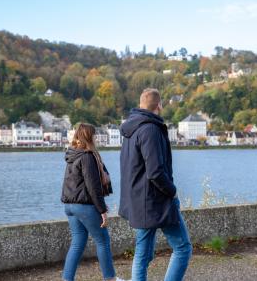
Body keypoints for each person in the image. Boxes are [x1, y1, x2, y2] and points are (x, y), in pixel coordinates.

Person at [119, 88, 192, 281]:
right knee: (183, 248)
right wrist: (173, 191)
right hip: (155, 201)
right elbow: (155, 171)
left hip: (139, 200)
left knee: (143, 254)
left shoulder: (131, 129)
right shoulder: (150, 128)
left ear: (141, 104)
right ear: (159, 105)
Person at [61, 123, 125, 281]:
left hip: (69, 205)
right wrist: (102, 210)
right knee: (102, 240)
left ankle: (66, 279)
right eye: (94, 135)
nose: (96, 138)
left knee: (77, 243)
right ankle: (110, 278)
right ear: (90, 137)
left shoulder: (72, 154)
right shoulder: (87, 156)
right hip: (84, 206)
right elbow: (93, 186)